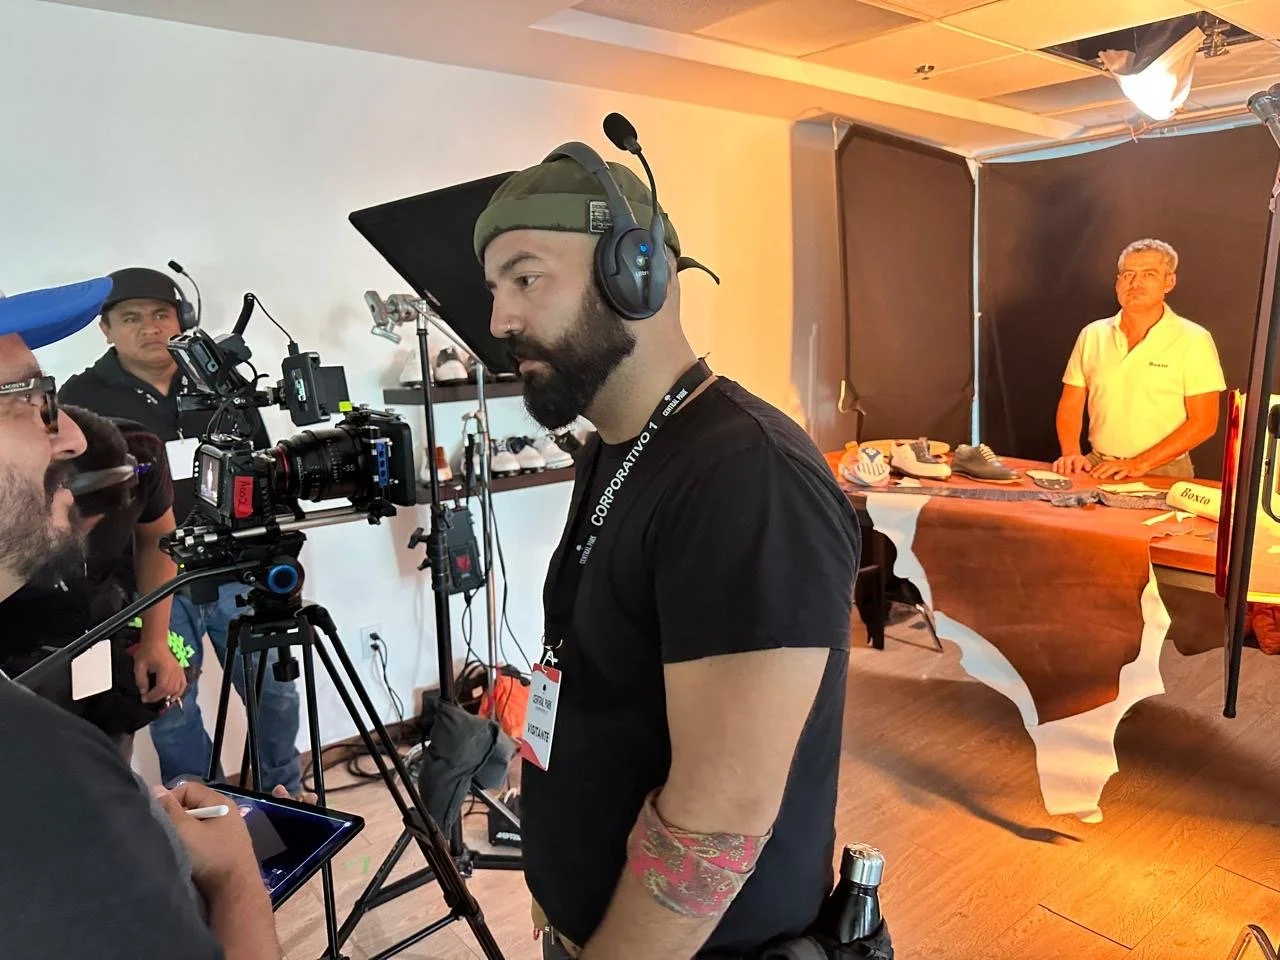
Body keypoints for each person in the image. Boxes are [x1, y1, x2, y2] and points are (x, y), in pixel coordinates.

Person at [475, 153, 860, 958]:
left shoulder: (748, 479)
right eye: (494, 290)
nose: (499, 321)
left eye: (525, 278)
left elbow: (713, 824)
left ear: (637, 272)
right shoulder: (617, 449)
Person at [0, 277, 280, 959]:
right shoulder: (44, 766)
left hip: (183, 594)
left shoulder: (166, 430)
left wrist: (153, 633)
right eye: (28, 401)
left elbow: (158, 534)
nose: (66, 437)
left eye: (51, 395)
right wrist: (237, 876)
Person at [59, 266, 302, 793]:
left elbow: (261, 461)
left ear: (181, 319)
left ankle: (290, 798)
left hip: (240, 569)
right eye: (131, 318)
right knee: (170, 707)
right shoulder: (82, 398)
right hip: (149, 583)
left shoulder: (220, 383)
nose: (150, 327)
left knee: (275, 694)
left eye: (161, 314)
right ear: (106, 329)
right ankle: (201, 818)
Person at [0, 405, 189, 759]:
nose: (73, 542)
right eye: (65, 523)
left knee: (106, 762)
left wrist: (156, 640)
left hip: (98, 624)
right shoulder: (9, 481)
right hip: (15, 642)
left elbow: (158, 540)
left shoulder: (143, 451)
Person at [1052, 239, 1226, 480]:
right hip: (1097, 466)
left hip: (1164, 471)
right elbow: (1071, 404)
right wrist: (1071, 452)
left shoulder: (1193, 339)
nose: (1135, 283)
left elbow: (1204, 422)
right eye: (1128, 275)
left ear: (1169, 282)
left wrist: (1139, 464)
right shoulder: (1092, 334)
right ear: (1117, 282)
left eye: (1149, 275)